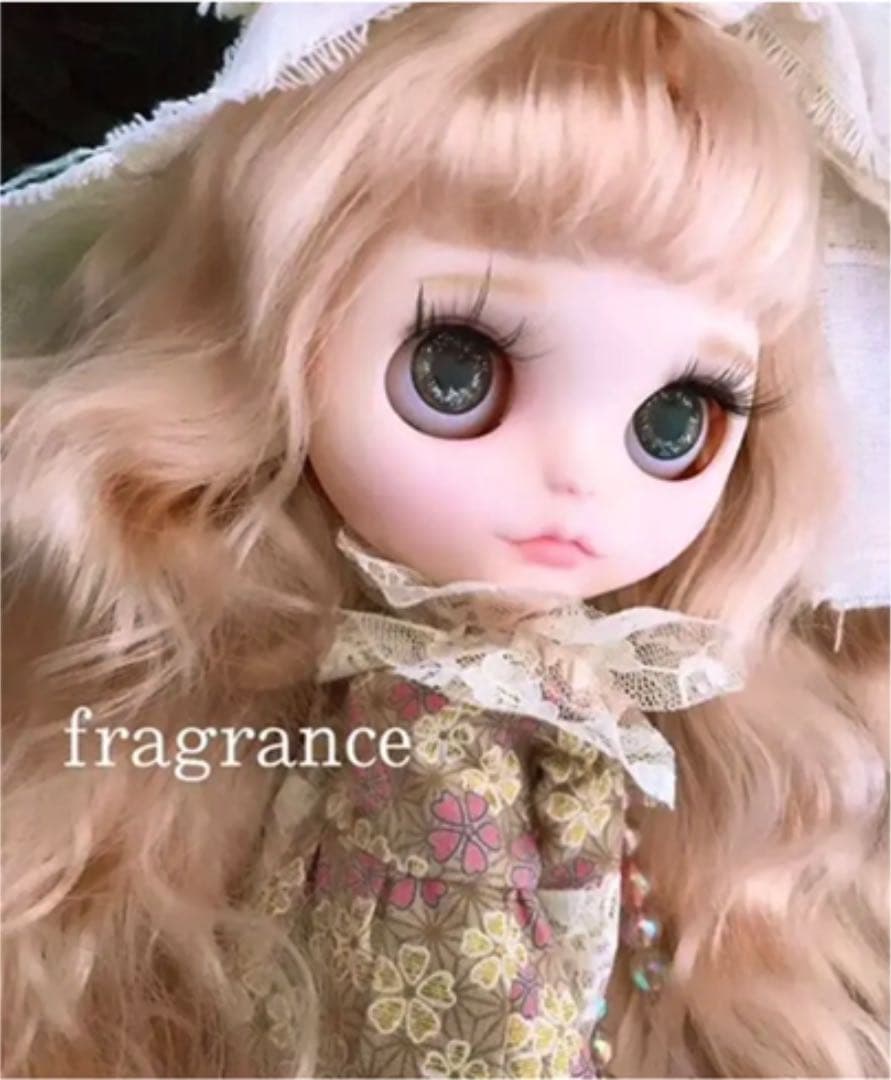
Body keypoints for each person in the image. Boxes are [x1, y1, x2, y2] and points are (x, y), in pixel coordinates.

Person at [2, 4, 887, 1076]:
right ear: (277, 329)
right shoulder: (334, 705)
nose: (577, 478)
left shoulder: (645, 700)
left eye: (674, 421)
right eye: (455, 369)